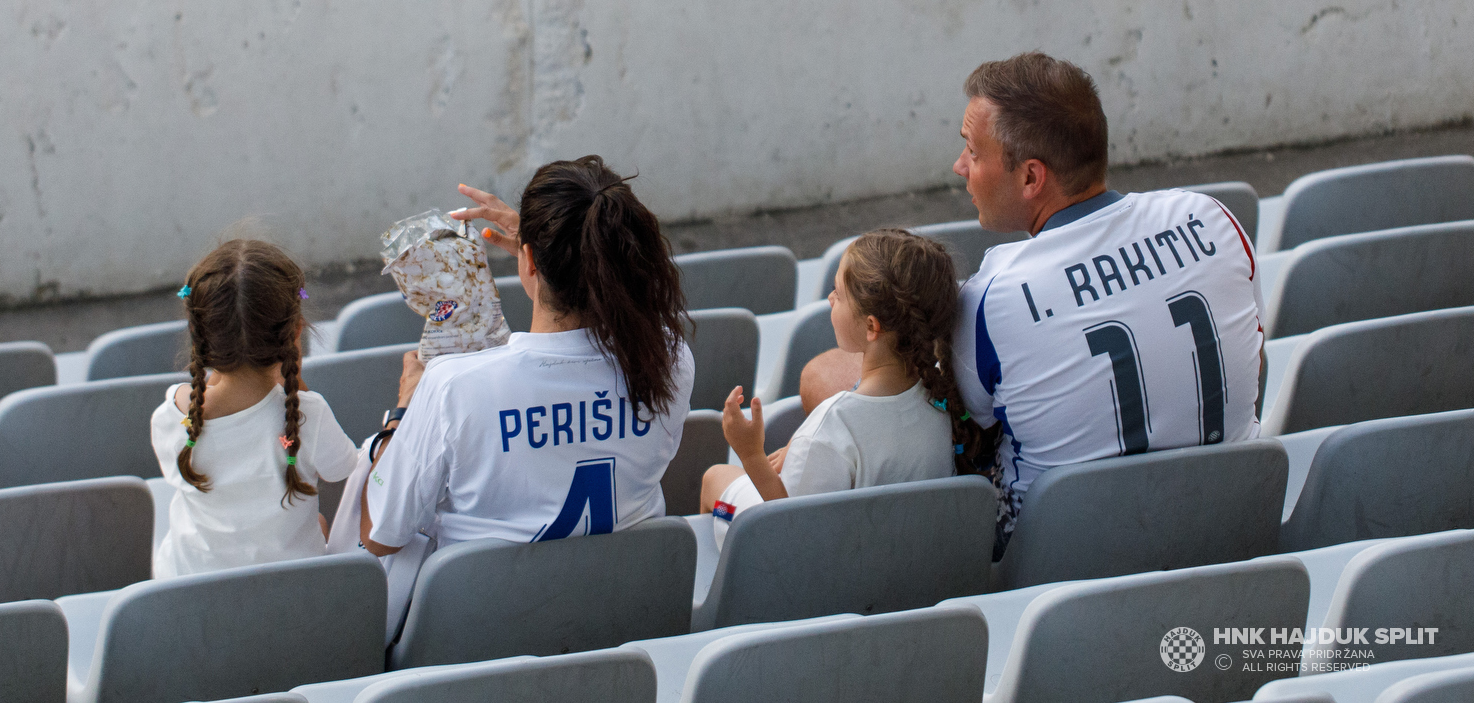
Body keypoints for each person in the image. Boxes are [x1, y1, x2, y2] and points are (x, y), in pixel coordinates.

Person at [797, 52, 1266, 555]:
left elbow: (959, 425)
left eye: (973, 153)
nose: (959, 167)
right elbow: (1254, 359)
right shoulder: (1212, 217)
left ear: (1031, 178)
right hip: (1233, 520)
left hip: (1058, 556)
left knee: (825, 376)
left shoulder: (991, 298)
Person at [358, 156, 694, 573]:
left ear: (529, 259)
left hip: (483, 623)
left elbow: (378, 538)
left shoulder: (453, 386)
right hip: (619, 604)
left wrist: (401, 415)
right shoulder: (669, 357)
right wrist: (563, 247)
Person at [698, 229, 982, 549]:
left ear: (872, 327)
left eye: (838, 293)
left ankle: (723, 544)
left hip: (813, 563)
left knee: (714, 481)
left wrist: (750, 454)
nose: (830, 298)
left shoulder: (830, 428)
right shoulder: (941, 401)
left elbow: (786, 520)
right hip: (895, 554)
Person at [151, 239, 360, 578]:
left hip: (191, 598)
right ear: (296, 333)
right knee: (320, 525)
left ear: (199, 334)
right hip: (288, 593)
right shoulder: (308, 415)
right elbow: (342, 470)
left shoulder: (173, 417)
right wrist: (296, 383)